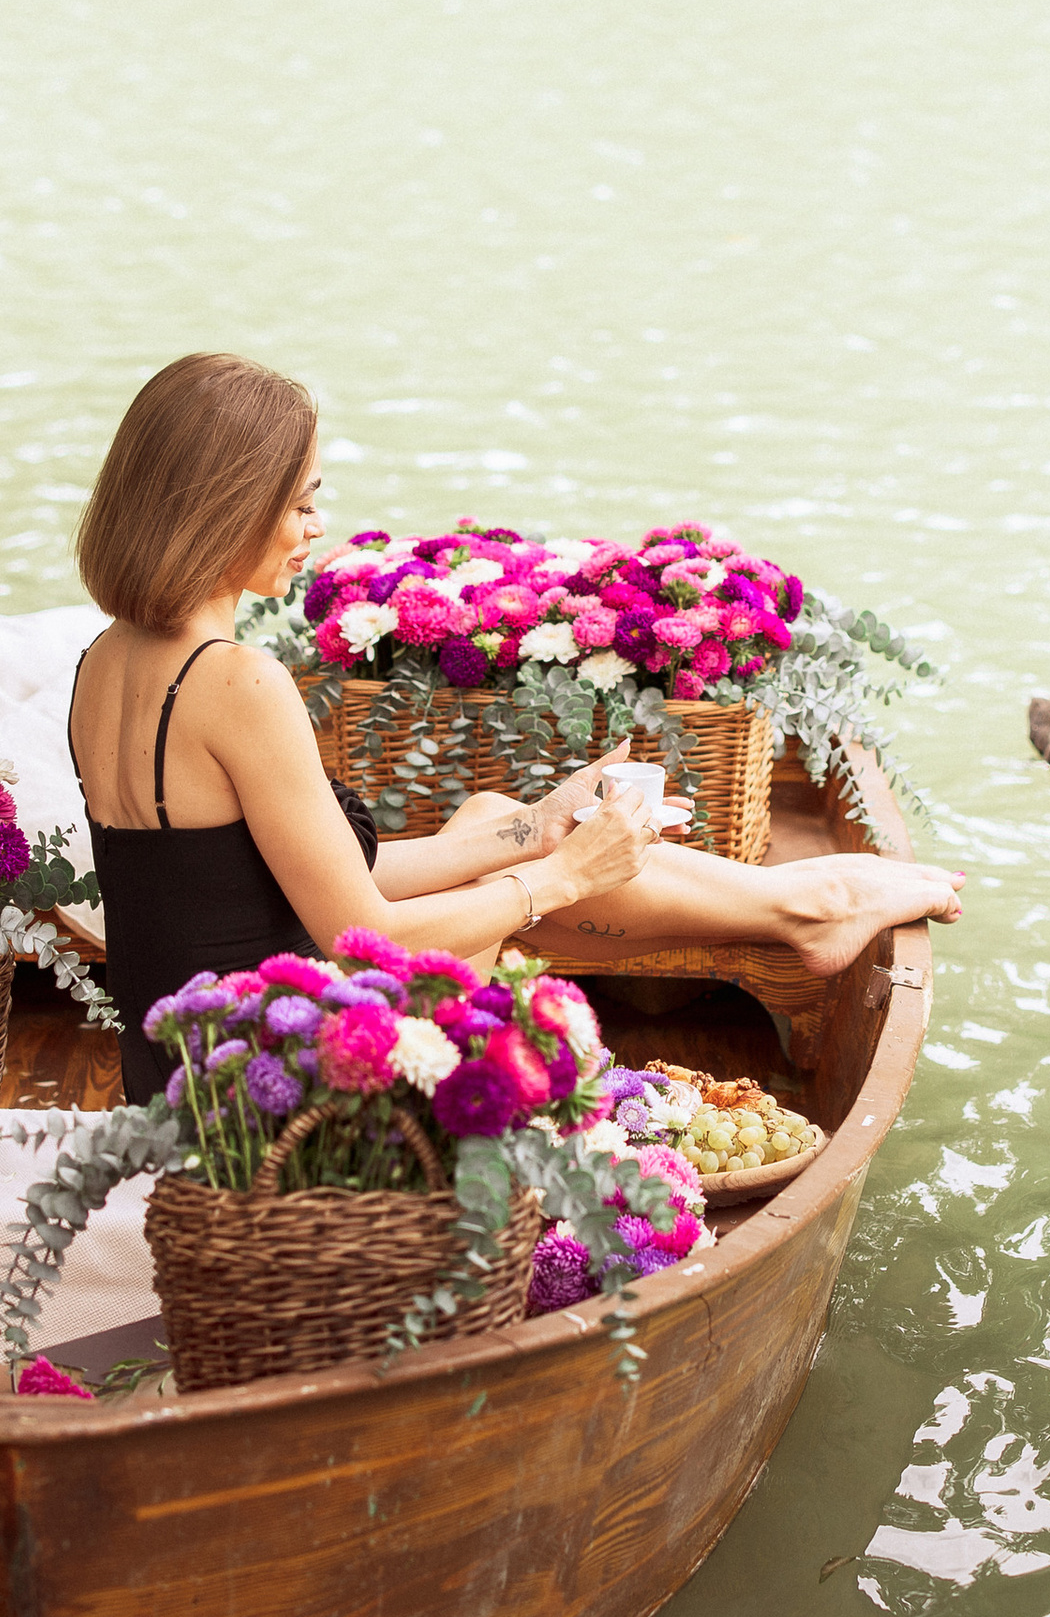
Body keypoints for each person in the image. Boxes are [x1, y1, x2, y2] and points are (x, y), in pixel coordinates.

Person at [66, 352, 966, 1101]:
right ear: (225, 504)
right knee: (528, 876)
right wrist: (562, 876)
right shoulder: (238, 684)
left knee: (493, 820)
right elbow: (363, 938)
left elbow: (275, 883)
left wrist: (538, 828)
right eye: (300, 503)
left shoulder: (106, 661)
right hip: (269, 1090)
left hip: (176, 1070)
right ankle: (811, 905)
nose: (316, 525)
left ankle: (806, 905)